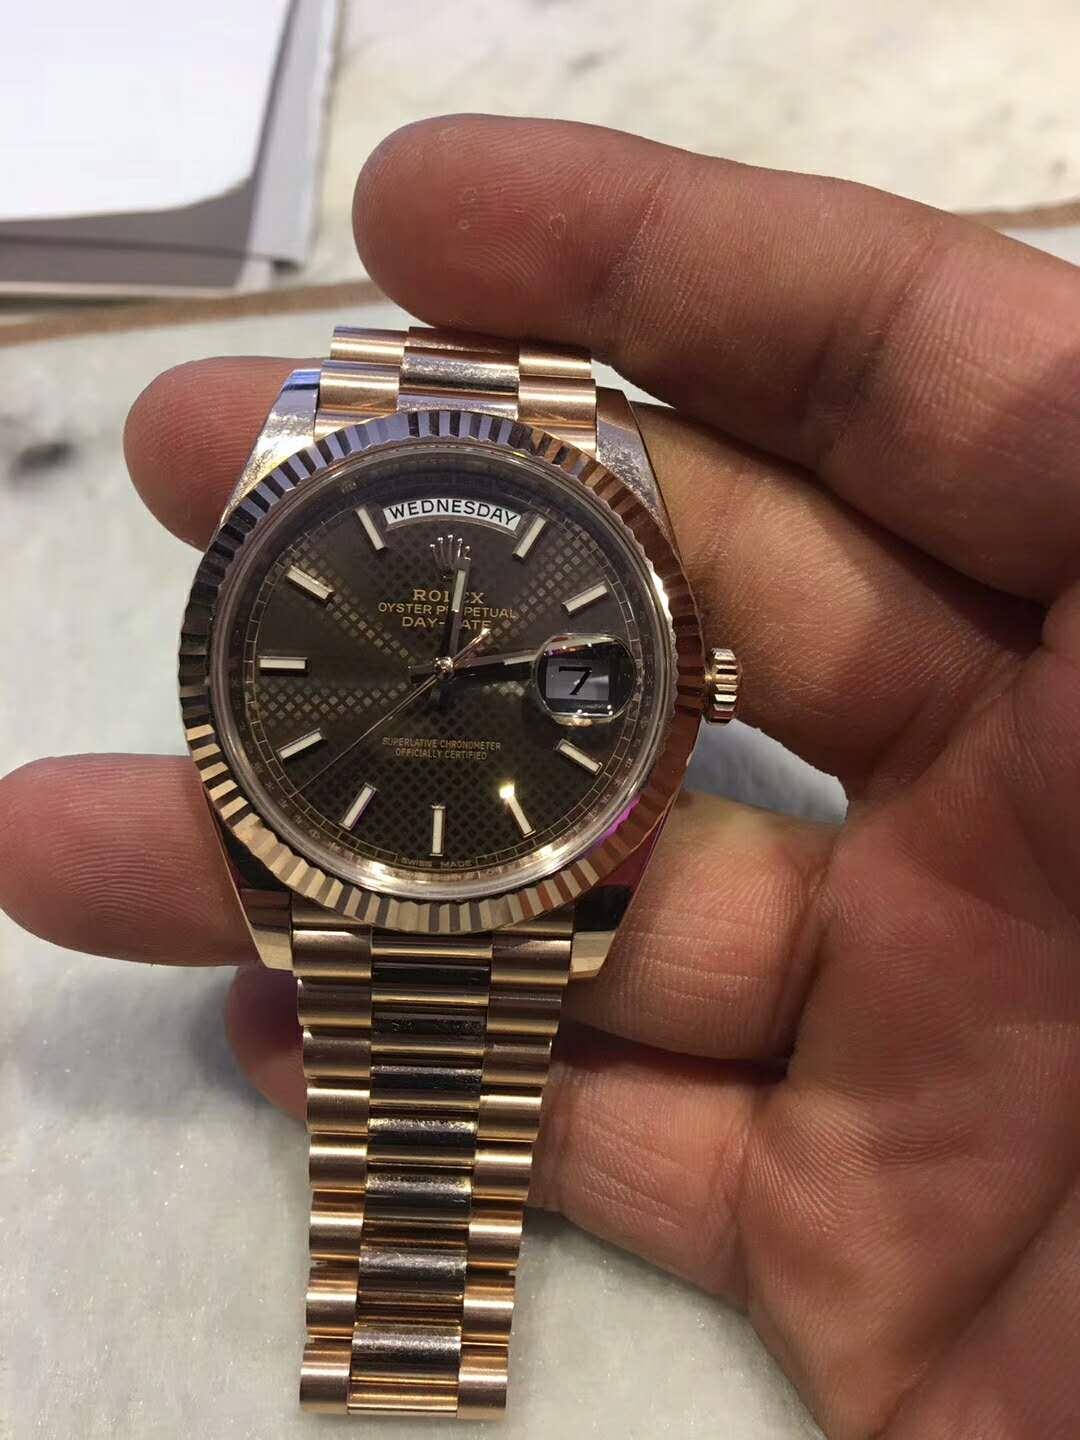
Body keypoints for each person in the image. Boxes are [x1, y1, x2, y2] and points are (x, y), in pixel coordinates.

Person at [3, 116, 1078, 1438]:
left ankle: (406, 1354)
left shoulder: (607, 567)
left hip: (470, 841)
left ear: (698, 688)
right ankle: (397, 1354)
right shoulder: (354, 521)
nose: (445, 677)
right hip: (362, 844)